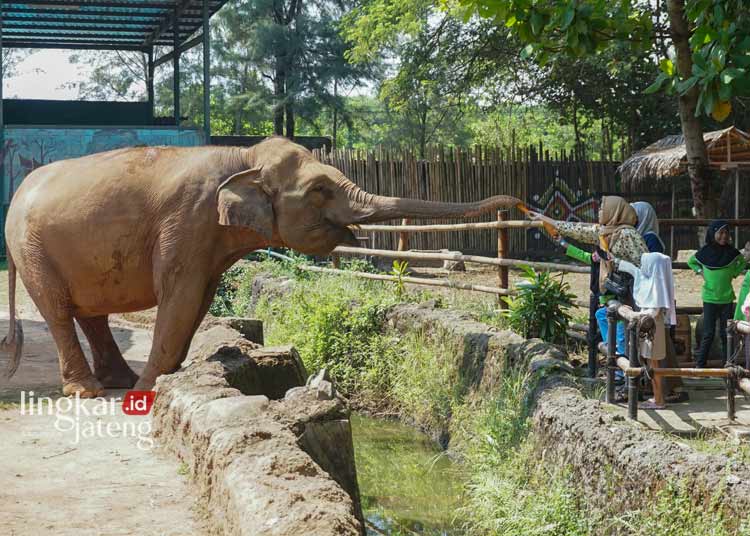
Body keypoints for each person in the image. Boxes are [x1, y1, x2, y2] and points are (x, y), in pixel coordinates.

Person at [616, 252, 676, 409]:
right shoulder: (651, 280)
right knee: (650, 362)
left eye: (646, 264)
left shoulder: (658, 286)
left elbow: (654, 311)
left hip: (653, 327)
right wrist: (613, 259)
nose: (643, 267)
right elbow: (634, 270)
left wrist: (637, 314)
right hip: (649, 327)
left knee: (654, 363)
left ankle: (659, 400)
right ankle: (657, 398)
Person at [688, 220, 747, 368]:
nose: (724, 236)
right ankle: (700, 366)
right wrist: (700, 271)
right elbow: (691, 261)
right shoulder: (705, 252)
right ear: (712, 233)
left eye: (726, 232)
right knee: (708, 334)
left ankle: (728, 365)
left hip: (726, 299)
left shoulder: (732, 253)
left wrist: (734, 272)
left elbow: (742, 262)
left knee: (725, 334)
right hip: (709, 299)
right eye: (720, 232)